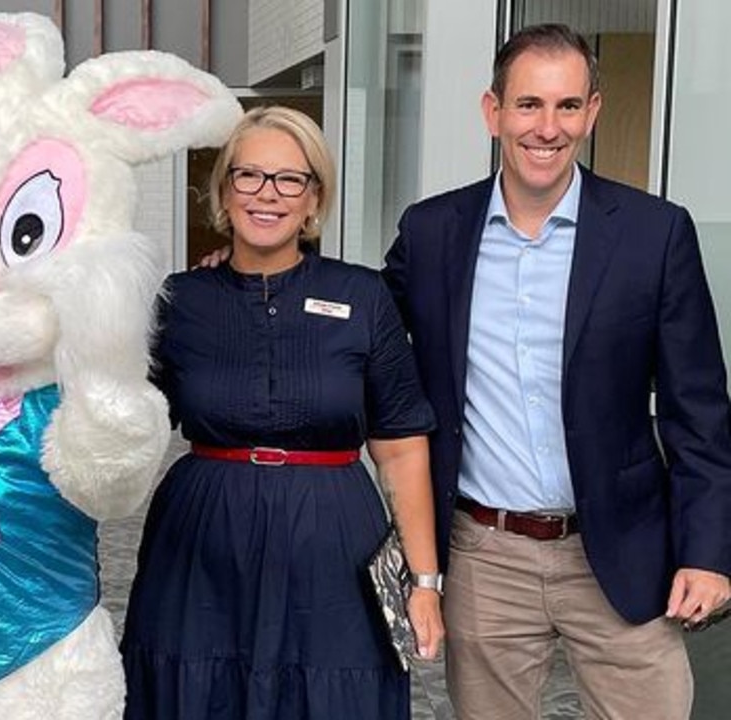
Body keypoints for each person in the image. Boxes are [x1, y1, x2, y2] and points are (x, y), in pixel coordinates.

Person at [382, 23, 731, 720]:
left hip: (625, 548)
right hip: (485, 554)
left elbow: (701, 412)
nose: (548, 127)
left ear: (592, 112)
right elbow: (367, 331)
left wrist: (710, 553)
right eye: (529, 105)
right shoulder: (432, 232)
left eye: (568, 106)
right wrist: (255, 273)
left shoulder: (654, 233)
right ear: (493, 112)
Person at [120, 106, 444, 720]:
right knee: (196, 692)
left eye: (290, 179)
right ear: (223, 190)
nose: (267, 195)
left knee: (331, 693)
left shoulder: (363, 296)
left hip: (334, 543)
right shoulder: (175, 302)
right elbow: (126, 427)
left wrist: (423, 585)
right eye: (249, 176)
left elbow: (401, 447)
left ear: (314, 199)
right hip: (201, 539)